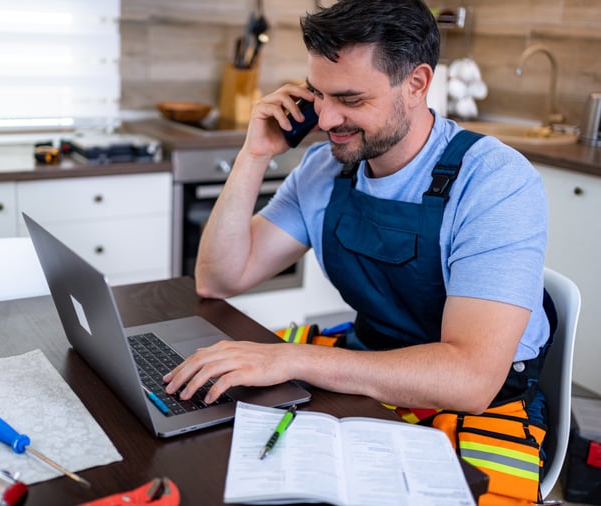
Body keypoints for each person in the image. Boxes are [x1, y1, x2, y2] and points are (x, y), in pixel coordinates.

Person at [165, 1, 552, 503]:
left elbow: (470, 379)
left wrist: (291, 359)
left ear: (415, 84)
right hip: (369, 363)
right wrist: (253, 155)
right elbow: (219, 278)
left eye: (349, 98)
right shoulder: (324, 170)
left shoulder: (495, 182)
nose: (326, 119)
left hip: (482, 403)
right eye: (318, 94)